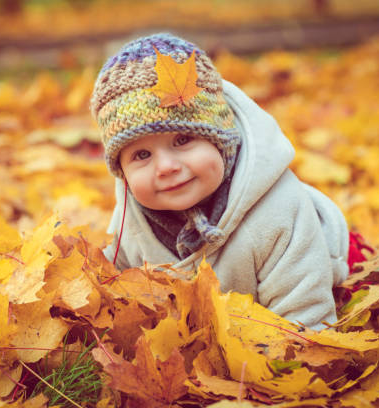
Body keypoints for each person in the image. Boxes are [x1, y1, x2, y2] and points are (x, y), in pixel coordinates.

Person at [90, 33, 349, 330]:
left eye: (183, 139)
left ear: (222, 139)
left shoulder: (279, 213)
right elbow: (119, 291)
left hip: (307, 271)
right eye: (142, 154)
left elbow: (306, 316)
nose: (166, 167)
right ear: (121, 172)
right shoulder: (130, 224)